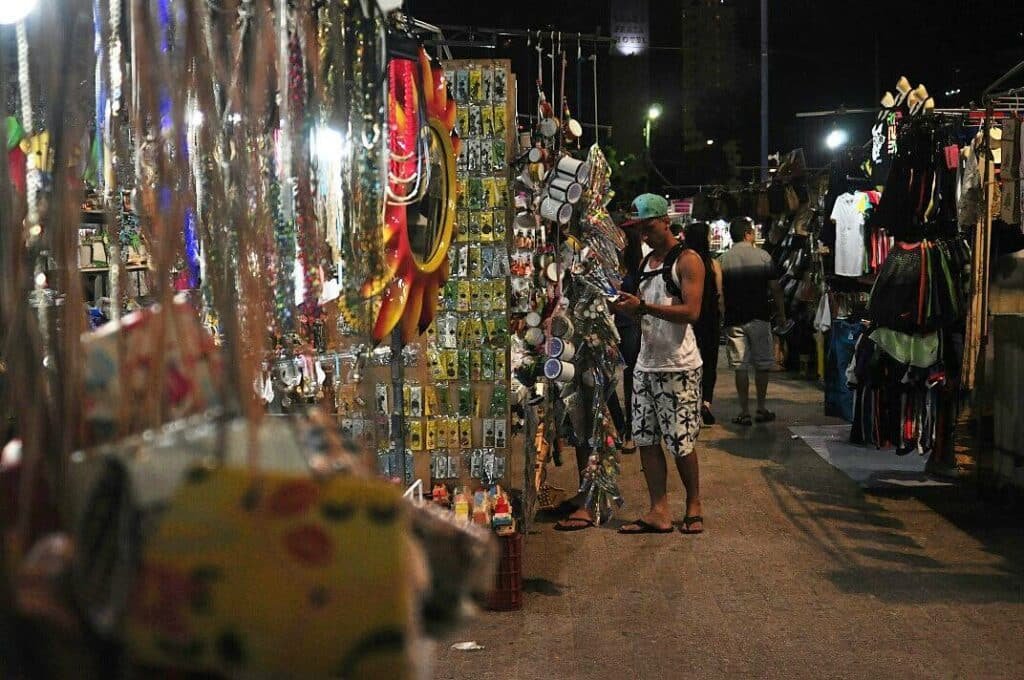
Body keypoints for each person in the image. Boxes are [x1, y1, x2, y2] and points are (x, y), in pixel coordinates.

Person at [610, 194, 705, 535]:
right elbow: (641, 308)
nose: (644, 235)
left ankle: (693, 505)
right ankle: (658, 510)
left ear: (665, 221)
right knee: (646, 438)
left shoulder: (688, 260)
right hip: (645, 364)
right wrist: (627, 308)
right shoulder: (645, 262)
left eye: (648, 227)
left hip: (678, 365)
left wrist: (644, 309)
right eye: (638, 230)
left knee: (681, 442)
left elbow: (692, 312)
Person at [719, 217, 787, 426]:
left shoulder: (724, 260)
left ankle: (744, 412)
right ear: (748, 233)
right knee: (762, 364)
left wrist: (722, 315)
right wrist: (781, 312)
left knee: (740, 366)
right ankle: (761, 408)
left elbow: (719, 293)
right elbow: (775, 288)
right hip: (759, 316)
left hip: (734, 319)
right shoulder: (763, 256)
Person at [605, 227, 644, 454]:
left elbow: (640, 299)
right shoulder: (608, 260)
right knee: (605, 378)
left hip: (628, 325)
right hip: (608, 325)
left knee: (631, 378)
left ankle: (630, 429)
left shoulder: (637, 266)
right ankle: (620, 426)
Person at [683, 221, 724, 425]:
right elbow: (720, 294)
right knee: (710, 362)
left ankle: (691, 402)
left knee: (691, 361)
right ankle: (705, 403)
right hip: (710, 318)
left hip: (689, 319)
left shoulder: (683, 262)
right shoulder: (712, 263)